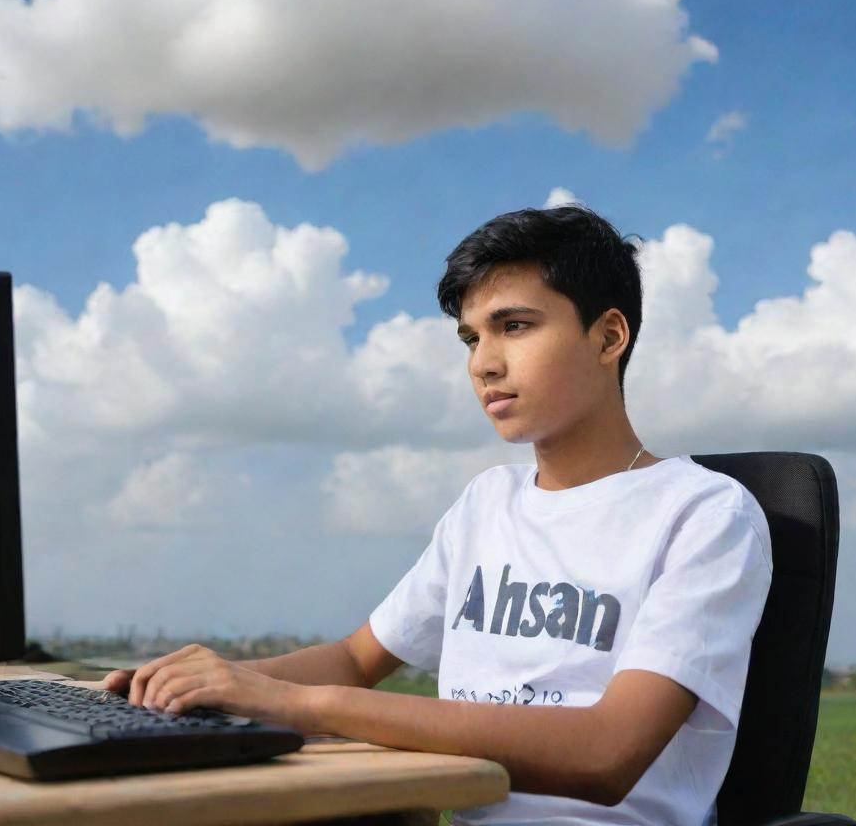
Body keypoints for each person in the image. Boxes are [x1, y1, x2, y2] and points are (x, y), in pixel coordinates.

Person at [103, 204, 773, 825]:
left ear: (609, 336)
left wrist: (297, 705)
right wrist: (201, 685)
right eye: (469, 338)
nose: (484, 363)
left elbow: (606, 754)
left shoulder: (703, 513)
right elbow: (355, 659)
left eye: (515, 326)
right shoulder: (487, 504)